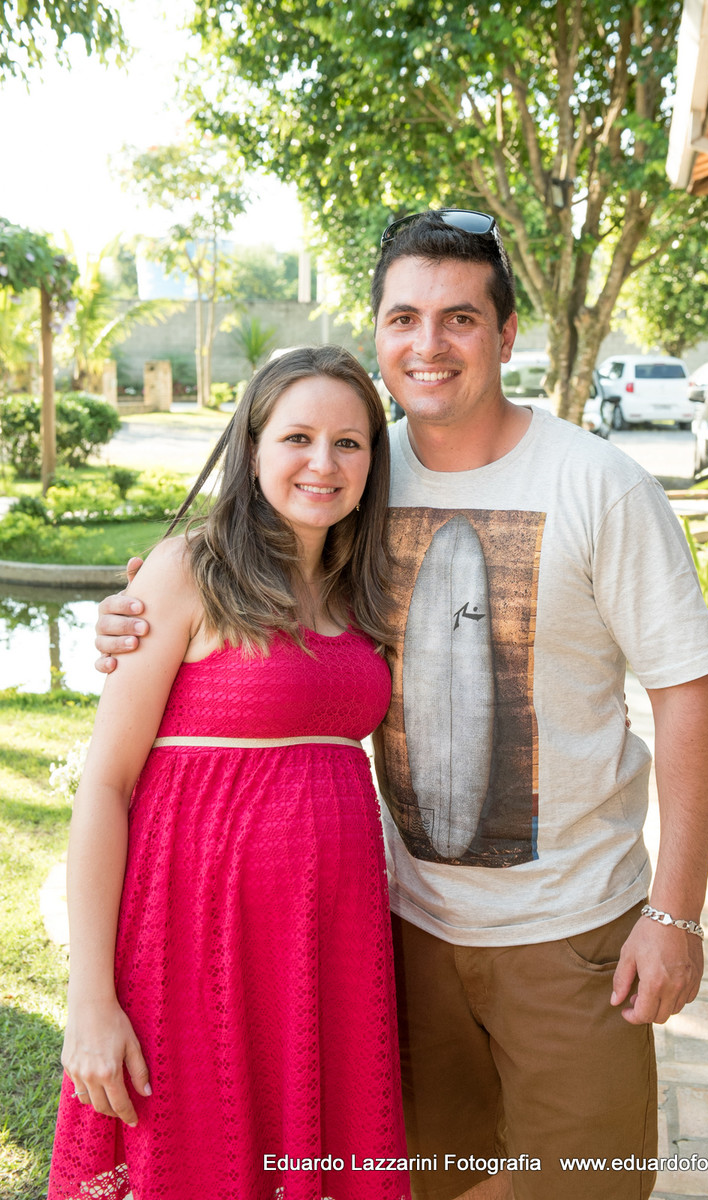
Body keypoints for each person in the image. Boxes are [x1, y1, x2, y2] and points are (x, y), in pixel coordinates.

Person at [95, 211, 708, 1200]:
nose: (428, 345)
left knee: (585, 1186)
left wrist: (677, 914)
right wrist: (142, 611)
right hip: (398, 931)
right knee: (430, 1186)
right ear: (379, 332)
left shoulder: (599, 484)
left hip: (571, 935)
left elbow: (689, 693)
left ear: (506, 335)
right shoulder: (356, 474)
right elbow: (254, 584)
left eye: (460, 319)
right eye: (405, 318)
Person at [50, 346, 410, 1200]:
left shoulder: (363, 591)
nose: (323, 463)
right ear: (251, 448)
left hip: (327, 951)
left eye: (349, 443)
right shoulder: (188, 571)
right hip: (192, 943)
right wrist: (89, 1000)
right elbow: (104, 786)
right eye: (297, 437)